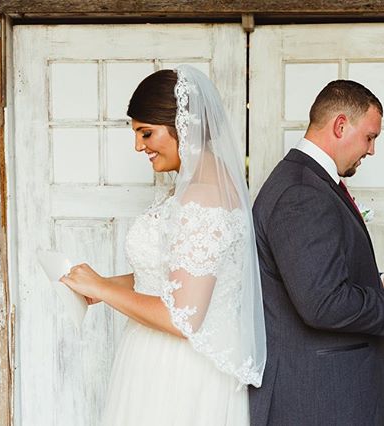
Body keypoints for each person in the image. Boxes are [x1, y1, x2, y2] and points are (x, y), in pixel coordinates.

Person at [60, 65, 266, 425]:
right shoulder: (195, 185)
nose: (138, 146)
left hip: (178, 372)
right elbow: (171, 276)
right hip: (155, 356)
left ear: (182, 126)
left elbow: (182, 318)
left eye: (146, 132)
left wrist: (103, 291)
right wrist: (102, 284)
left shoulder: (205, 197)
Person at [249, 80, 384, 425]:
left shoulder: (307, 180)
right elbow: (322, 304)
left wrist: (379, 282)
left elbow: (309, 278)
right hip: (317, 401)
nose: (371, 151)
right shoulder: (300, 192)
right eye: (370, 137)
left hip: (325, 396)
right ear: (341, 125)